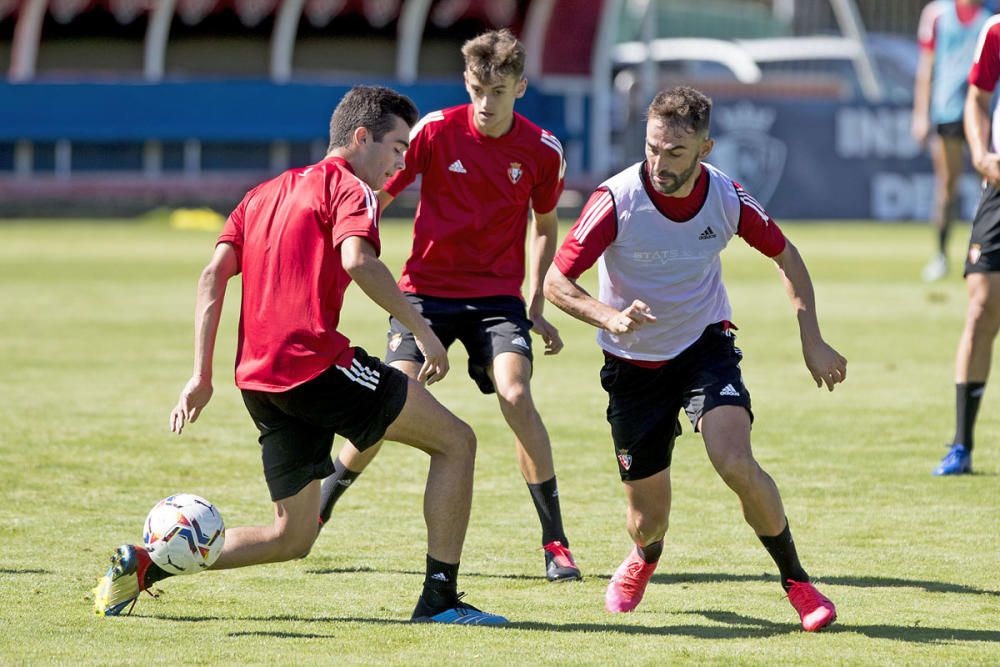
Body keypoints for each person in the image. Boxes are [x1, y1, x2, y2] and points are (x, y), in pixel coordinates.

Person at [92, 86, 507, 625]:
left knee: (294, 536)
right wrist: (423, 331)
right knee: (457, 442)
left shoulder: (262, 193)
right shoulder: (352, 189)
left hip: (259, 383)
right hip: (314, 366)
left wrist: (200, 376)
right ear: (361, 139)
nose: (403, 161)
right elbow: (359, 262)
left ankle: (145, 565)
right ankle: (440, 600)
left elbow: (213, 275)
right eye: (398, 147)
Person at [543, 86, 847, 631]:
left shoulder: (727, 198)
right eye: (652, 148)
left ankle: (797, 582)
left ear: (704, 148)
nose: (659, 162)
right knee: (646, 520)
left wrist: (812, 337)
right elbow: (555, 282)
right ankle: (645, 557)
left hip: (704, 346)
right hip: (631, 364)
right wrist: (608, 316)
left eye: (675, 153)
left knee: (734, 461)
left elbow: (787, 255)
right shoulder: (615, 200)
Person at [316, 29, 581, 583]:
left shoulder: (542, 150)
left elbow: (545, 225)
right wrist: (348, 248)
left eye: (500, 91)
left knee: (515, 394)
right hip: (424, 294)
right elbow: (378, 194)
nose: (487, 103)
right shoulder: (434, 132)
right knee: (391, 397)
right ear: (467, 82)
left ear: (521, 87)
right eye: (478, 88)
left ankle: (554, 540)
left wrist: (534, 302)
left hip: (495, 301)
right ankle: (325, 499)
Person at [934, 14, 1000, 475]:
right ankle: (962, 444)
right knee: (981, 306)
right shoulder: (995, 30)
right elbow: (977, 99)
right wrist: (979, 153)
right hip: (998, 187)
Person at [912, 0, 993, 282]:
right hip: (947, 109)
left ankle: (985, 252)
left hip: (984, 109)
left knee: (990, 180)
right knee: (947, 184)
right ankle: (941, 254)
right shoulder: (936, 15)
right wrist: (920, 114)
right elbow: (926, 67)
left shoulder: (992, 12)